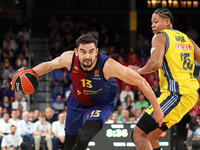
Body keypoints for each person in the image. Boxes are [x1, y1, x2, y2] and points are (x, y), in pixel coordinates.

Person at [12, 34, 163, 150]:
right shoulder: (68, 58)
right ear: (76, 52)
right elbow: (49, 66)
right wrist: (29, 73)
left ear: (96, 51)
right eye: (83, 52)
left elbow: (141, 81)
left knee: (83, 138)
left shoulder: (108, 66)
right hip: (76, 102)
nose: (87, 56)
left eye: (91, 52)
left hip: (101, 105)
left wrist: (157, 109)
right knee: (69, 143)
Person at [129, 8, 200, 150]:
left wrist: (139, 71)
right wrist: (196, 87)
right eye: (151, 22)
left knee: (137, 133)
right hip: (186, 95)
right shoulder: (187, 39)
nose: (152, 25)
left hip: (176, 95)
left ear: (167, 21)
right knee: (150, 135)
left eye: (156, 21)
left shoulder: (160, 36)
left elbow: (155, 63)